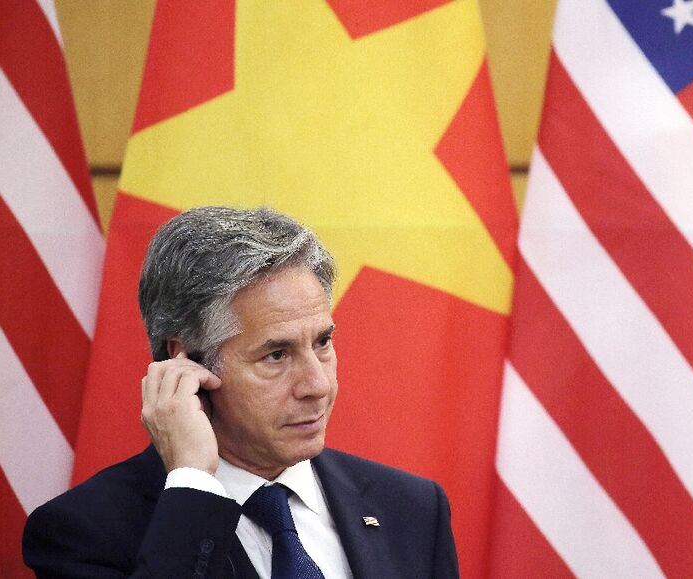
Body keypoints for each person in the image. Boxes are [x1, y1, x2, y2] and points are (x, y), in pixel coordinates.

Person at [23, 206, 459, 578]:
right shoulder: (82, 532)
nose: (318, 385)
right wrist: (192, 482)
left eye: (322, 343)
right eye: (276, 355)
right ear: (187, 363)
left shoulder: (414, 508)